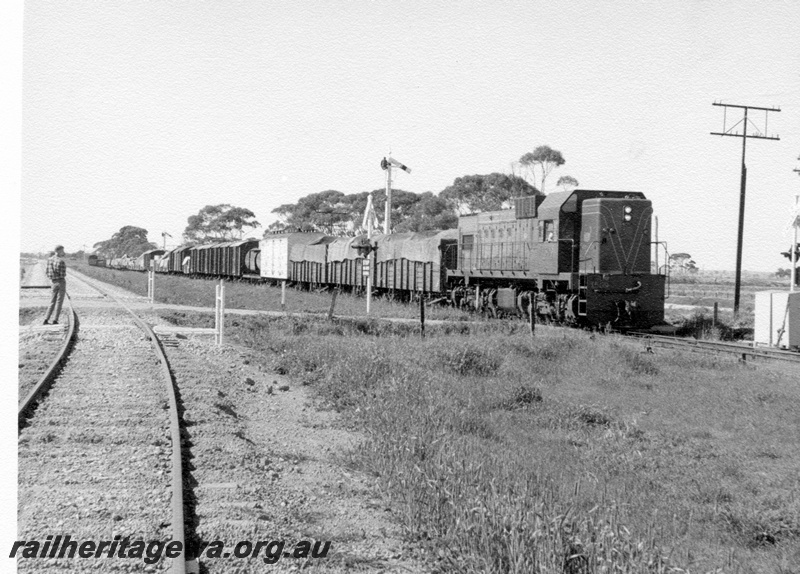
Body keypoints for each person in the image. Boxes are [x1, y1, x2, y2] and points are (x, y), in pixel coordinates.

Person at [43, 245, 67, 325]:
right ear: (59, 251)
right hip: (60, 282)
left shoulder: (49, 260)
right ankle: (55, 320)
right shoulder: (61, 261)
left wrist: (53, 278)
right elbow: (63, 274)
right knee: (59, 302)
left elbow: (47, 272)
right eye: (63, 251)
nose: (63, 252)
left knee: (52, 301)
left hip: (53, 282)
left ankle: (46, 319)